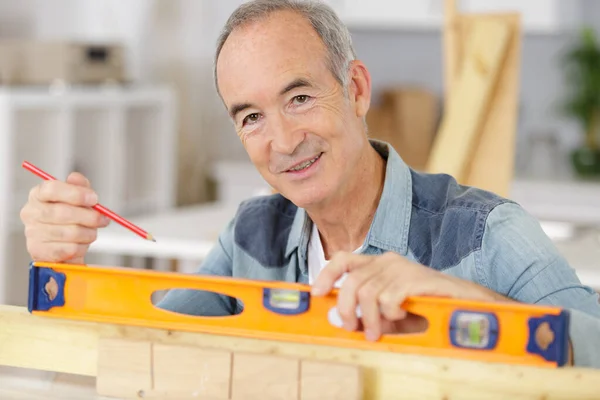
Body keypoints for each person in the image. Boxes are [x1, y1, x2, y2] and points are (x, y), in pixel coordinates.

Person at [19, 0, 600, 368]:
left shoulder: (483, 232)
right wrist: (63, 266)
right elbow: (146, 343)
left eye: (299, 98)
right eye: (251, 117)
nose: (283, 140)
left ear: (355, 90)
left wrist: (468, 304)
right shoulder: (252, 236)